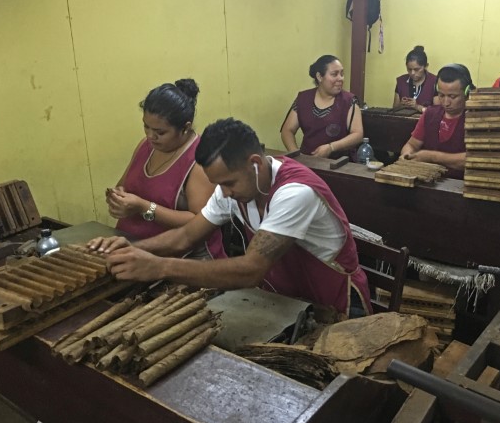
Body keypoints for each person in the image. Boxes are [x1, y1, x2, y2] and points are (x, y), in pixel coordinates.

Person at [89, 118, 372, 317]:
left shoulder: (295, 193)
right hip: (285, 301)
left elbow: (251, 270)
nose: (223, 192)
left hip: (335, 304)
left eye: (228, 183)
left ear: (255, 164)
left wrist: (159, 267)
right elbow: (186, 236)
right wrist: (130, 251)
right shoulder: (233, 188)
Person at [107, 78, 226, 259]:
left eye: (160, 132)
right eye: (146, 127)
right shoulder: (144, 146)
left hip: (183, 258)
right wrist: (118, 198)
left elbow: (199, 221)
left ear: (185, 128)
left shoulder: (200, 159)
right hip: (134, 246)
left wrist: (143, 207)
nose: (150, 136)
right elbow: (123, 185)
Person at [280, 55, 363, 159]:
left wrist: (331, 147)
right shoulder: (303, 99)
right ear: (319, 77)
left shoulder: (349, 101)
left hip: (339, 165)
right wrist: (296, 155)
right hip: (308, 163)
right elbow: (287, 130)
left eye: (342, 74)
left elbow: (357, 134)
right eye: (334, 74)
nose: (340, 78)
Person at [400, 64, 474, 179]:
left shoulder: (475, 119)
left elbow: (473, 159)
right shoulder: (430, 114)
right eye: (441, 95)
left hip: (460, 186)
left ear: (467, 93)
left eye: (452, 96)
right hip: (428, 181)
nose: (445, 102)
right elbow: (412, 144)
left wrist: (432, 157)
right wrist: (406, 155)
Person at [393, 45, 436, 112]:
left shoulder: (434, 82)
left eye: (417, 69)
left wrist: (417, 107)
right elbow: (394, 109)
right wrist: (401, 105)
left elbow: (438, 112)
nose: (412, 73)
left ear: (426, 66)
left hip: (426, 121)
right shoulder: (401, 81)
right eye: (409, 69)